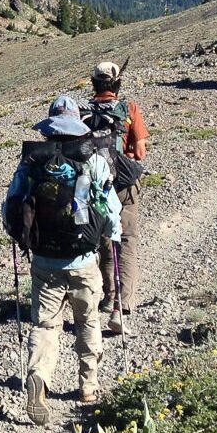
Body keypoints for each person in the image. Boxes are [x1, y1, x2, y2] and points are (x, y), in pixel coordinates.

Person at [2, 95, 121, 424]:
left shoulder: (32, 161)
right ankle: (88, 385)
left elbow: (10, 207)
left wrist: (19, 235)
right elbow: (110, 208)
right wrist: (112, 234)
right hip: (83, 257)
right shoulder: (91, 157)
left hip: (44, 260)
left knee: (46, 324)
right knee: (88, 320)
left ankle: (39, 375)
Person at [88, 61, 149, 336]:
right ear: (116, 83)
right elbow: (140, 151)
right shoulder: (129, 109)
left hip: (96, 184)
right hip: (124, 185)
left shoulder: (84, 112)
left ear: (95, 83)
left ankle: (109, 294)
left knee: (103, 239)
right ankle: (122, 305)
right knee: (126, 240)